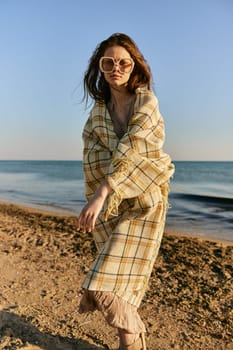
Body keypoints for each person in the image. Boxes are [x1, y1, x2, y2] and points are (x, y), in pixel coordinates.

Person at [77, 33, 175, 350]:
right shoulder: (96, 115)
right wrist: (103, 195)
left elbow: (136, 150)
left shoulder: (146, 102)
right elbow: (93, 157)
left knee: (103, 284)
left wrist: (104, 190)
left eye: (123, 61)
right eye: (108, 62)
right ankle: (130, 343)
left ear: (134, 67)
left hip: (145, 203)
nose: (116, 67)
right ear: (99, 68)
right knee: (119, 282)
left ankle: (132, 342)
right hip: (110, 206)